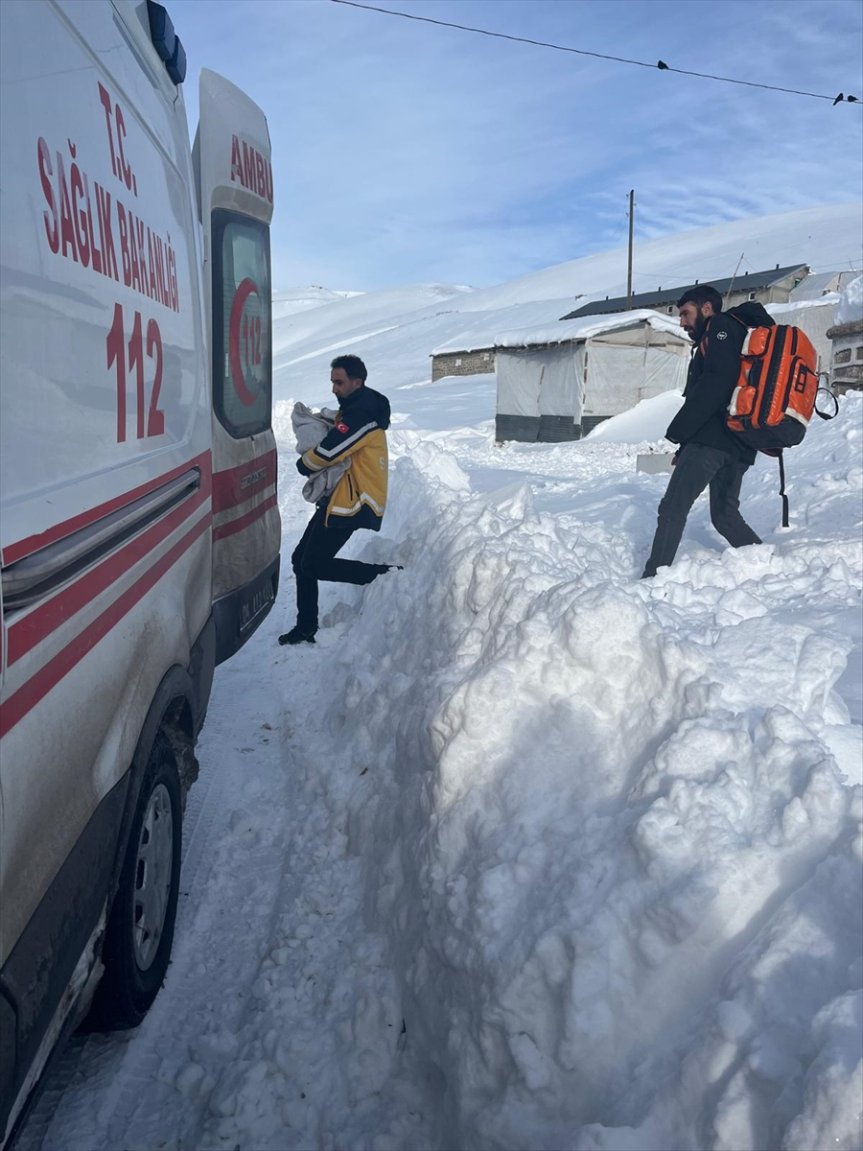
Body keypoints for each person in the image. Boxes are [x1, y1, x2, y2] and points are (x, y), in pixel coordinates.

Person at [641, 284, 772, 579]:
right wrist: (684, 446)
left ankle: (652, 579)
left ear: (707, 308)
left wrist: (679, 433)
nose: (682, 322)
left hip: (711, 441)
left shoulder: (721, 327)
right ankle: (768, 566)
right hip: (738, 443)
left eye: (686, 313)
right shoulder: (735, 333)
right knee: (725, 516)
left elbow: (716, 383)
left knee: (673, 508)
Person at [279, 355, 397, 645]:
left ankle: (383, 576)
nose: (334, 388)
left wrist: (304, 464)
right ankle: (306, 627)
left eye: (339, 382)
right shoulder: (355, 407)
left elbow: (329, 451)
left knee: (314, 564)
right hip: (341, 498)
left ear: (357, 382)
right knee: (300, 560)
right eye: (332, 382)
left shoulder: (362, 415)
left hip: (356, 501)